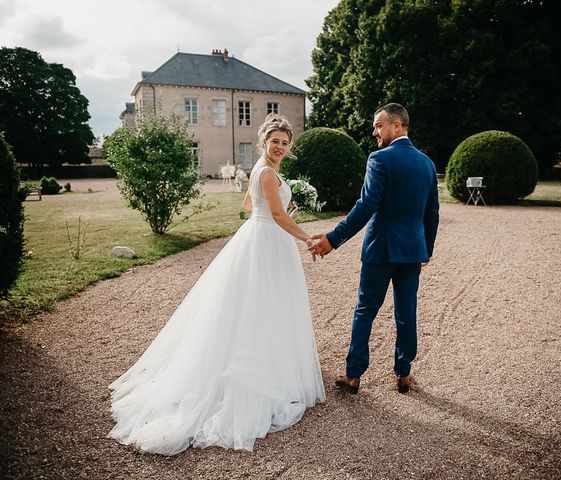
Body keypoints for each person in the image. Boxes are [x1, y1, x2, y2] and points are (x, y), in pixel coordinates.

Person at [108, 113, 325, 455]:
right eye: (275, 142)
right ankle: (257, 374)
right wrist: (306, 237)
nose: (280, 147)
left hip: (258, 236)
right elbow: (278, 216)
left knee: (257, 306)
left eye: (285, 142)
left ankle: (265, 362)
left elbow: (248, 204)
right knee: (263, 305)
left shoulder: (263, 171)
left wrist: (281, 204)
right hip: (268, 241)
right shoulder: (268, 172)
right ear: (263, 142)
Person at [309, 103, 439, 395]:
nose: (374, 132)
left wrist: (333, 238)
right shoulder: (427, 164)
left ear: (397, 126)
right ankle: (403, 374)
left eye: (379, 125)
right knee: (407, 312)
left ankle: (353, 375)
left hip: (381, 248)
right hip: (412, 252)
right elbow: (432, 214)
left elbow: (366, 206)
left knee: (366, 309)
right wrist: (425, 251)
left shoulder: (379, 159)